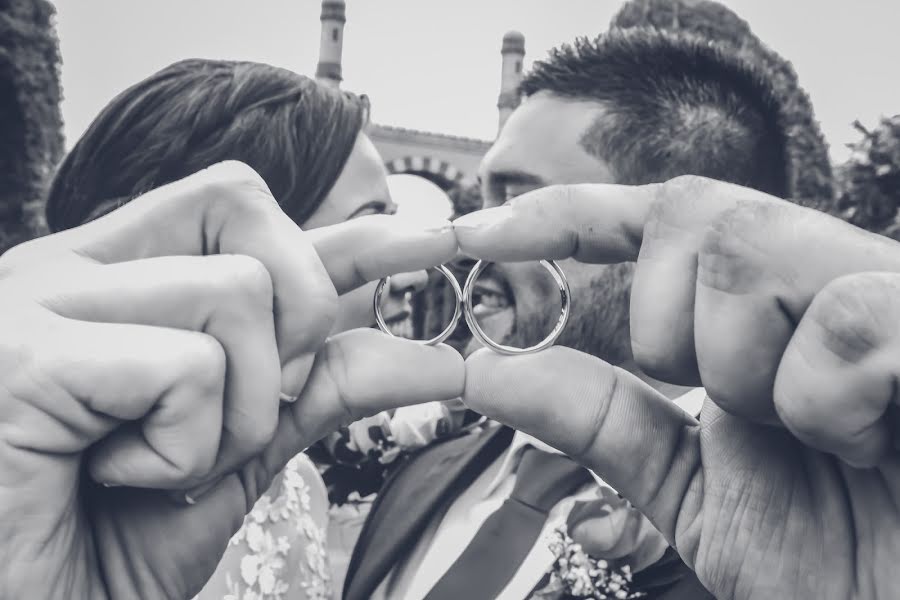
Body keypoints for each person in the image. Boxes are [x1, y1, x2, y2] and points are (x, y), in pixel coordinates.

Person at [343, 29, 814, 600]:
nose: (468, 247)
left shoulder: (793, 554)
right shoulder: (424, 470)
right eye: (483, 204)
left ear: (674, 249)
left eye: (524, 210)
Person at [42, 58, 433, 600]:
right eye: (369, 226)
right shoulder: (37, 487)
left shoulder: (299, 487)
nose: (413, 275)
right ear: (226, 245)